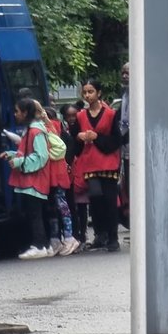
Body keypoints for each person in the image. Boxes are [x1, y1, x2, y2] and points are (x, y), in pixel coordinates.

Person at [70, 80, 121, 252]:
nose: (87, 95)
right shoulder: (80, 116)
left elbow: (116, 140)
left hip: (108, 161)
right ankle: (101, 233)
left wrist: (96, 137)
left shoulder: (111, 114)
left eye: (90, 91)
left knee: (110, 200)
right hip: (90, 163)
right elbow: (74, 140)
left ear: (98, 93)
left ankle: (113, 237)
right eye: (85, 92)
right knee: (96, 198)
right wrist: (79, 137)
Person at [0, 98, 52, 260]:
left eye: (17, 111)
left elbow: (41, 156)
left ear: (25, 112)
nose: (15, 114)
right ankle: (43, 244)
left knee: (34, 214)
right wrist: (12, 155)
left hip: (34, 180)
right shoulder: (30, 131)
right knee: (36, 213)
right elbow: (28, 153)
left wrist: (19, 162)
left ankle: (39, 245)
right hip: (32, 180)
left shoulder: (35, 132)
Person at [38, 103, 80, 256]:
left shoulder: (49, 130)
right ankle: (59, 238)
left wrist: (44, 156)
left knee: (59, 206)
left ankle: (67, 237)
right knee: (56, 206)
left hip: (54, 172)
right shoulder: (56, 129)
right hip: (56, 172)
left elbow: (60, 149)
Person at [60, 103, 89, 248]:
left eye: (74, 115)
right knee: (72, 205)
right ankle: (76, 234)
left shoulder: (82, 130)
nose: (72, 118)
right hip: (71, 172)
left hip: (81, 170)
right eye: (68, 116)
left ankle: (82, 235)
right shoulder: (64, 132)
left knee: (82, 205)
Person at [118, 62, 130, 229]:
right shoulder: (125, 94)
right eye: (123, 72)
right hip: (126, 149)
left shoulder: (141, 93)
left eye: (128, 72)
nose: (125, 76)